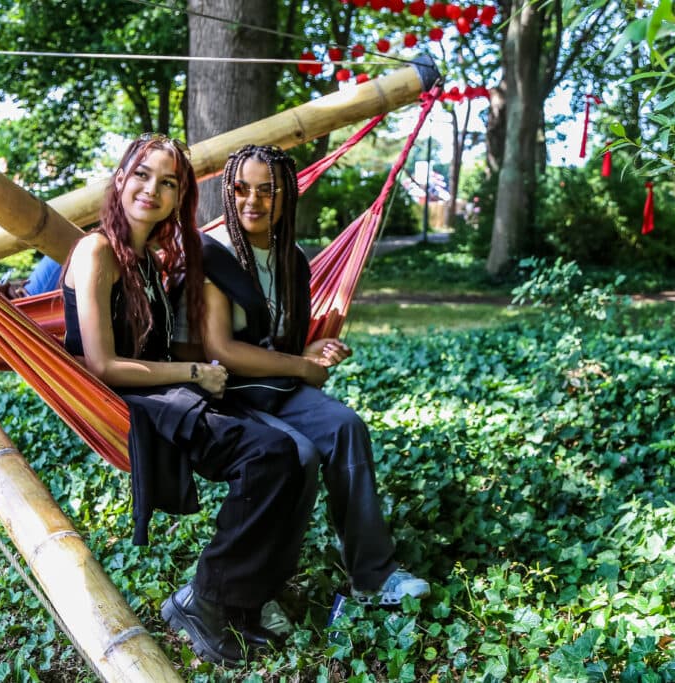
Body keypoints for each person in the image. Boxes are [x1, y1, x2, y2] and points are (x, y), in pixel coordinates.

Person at [62, 134, 305, 665]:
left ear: (180, 198)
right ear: (121, 178)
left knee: (282, 453)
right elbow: (101, 365)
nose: (152, 188)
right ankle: (205, 600)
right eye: (142, 174)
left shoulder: (146, 257)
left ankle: (236, 603)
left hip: (164, 395)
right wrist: (197, 370)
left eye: (168, 182)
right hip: (129, 402)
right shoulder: (97, 249)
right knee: (269, 454)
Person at [199, 144, 430, 626]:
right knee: (297, 455)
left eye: (268, 190)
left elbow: (286, 340)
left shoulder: (293, 260)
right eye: (242, 189)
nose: (253, 201)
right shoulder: (213, 257)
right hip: (231, 395)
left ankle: (373, 575)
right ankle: (262, 590)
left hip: (279, 387)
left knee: (346, 425)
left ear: (287, 196)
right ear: (228, 191)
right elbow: (221, 349)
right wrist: (303, 368)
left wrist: (310, 354)